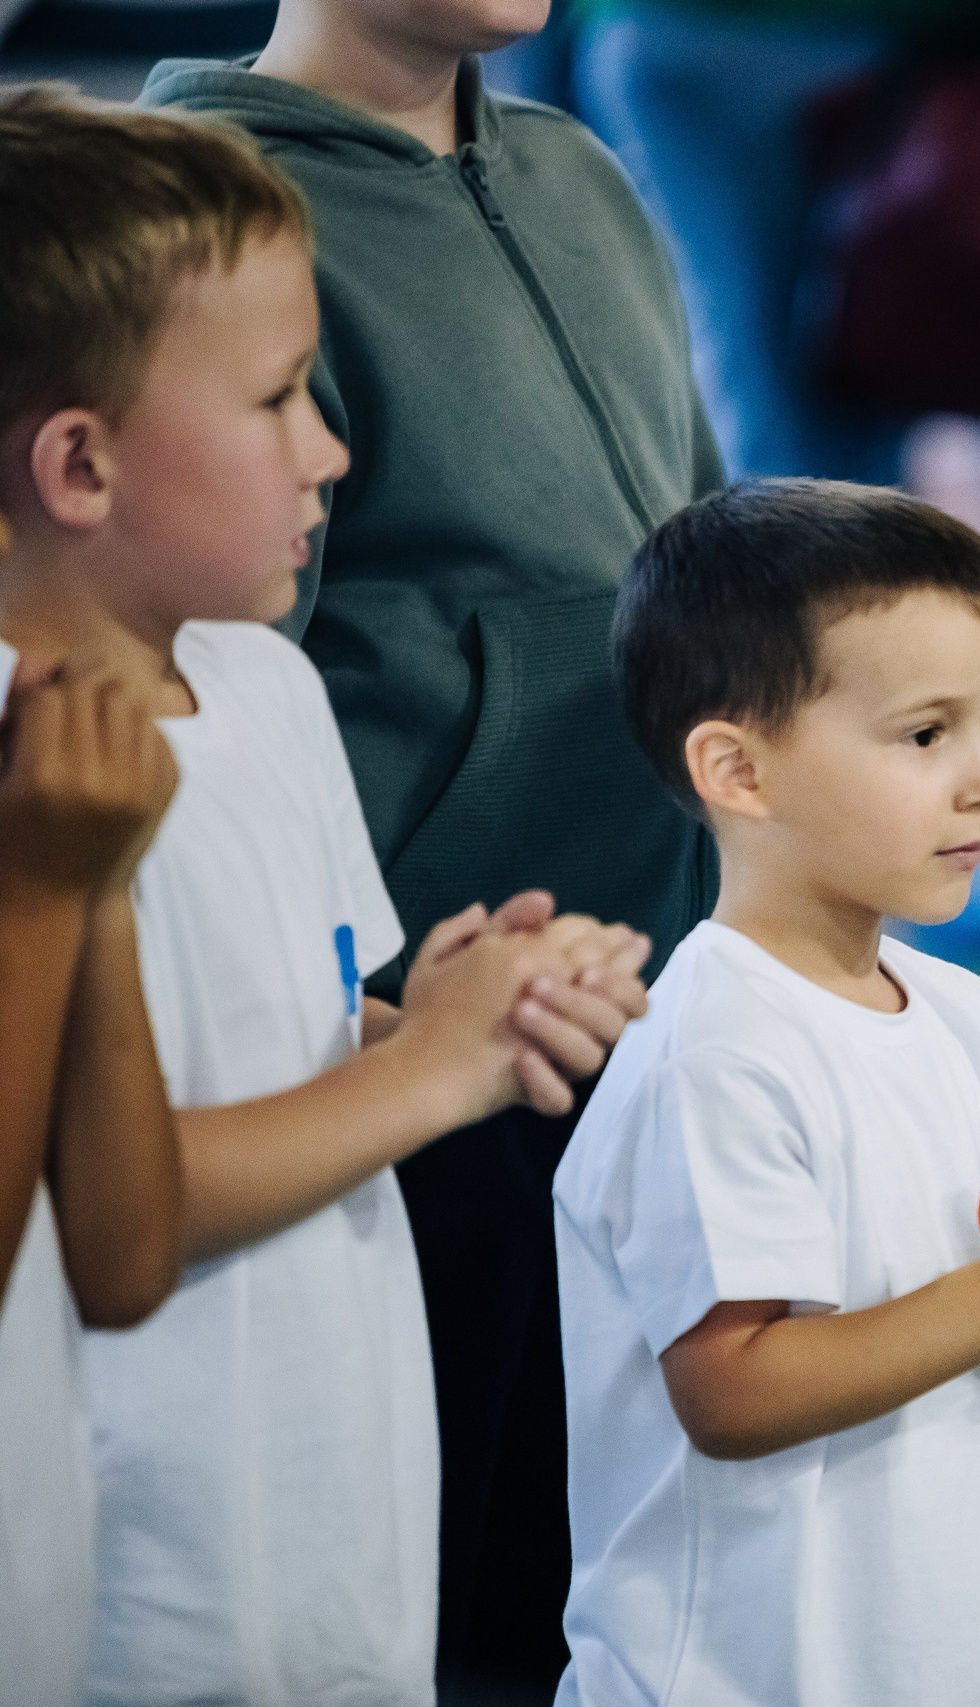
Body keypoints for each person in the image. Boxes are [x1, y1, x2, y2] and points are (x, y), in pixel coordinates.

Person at [0, 86, 655, 1707]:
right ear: (78, 462)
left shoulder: (260, 689)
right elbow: (111, 1212)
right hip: (154, 1580)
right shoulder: (35, 768)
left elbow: (299, 1007)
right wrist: (427, 1072)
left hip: (331, 1512)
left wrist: (451, 1010)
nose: (334, 451)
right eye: (281, 399)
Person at [136, 0, 727, 1675]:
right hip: (418, 1051)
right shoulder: (210, 212)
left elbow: (702, 552)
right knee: (453, 1584)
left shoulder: (582, 174)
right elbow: (211, 674)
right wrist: (404, 1021)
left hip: (640, 1005)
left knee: (608, 1568)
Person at [552, 479, 980, 1706]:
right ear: (737, 769)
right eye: (927, 734)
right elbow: (730, 1387)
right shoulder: (717, 1048)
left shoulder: (962, 1013)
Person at [0, 231, 186, 1697]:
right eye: (276, 400)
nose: (324, 451)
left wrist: (85, 890)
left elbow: (121, 1255)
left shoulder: (70, 750)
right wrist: (49, 890)